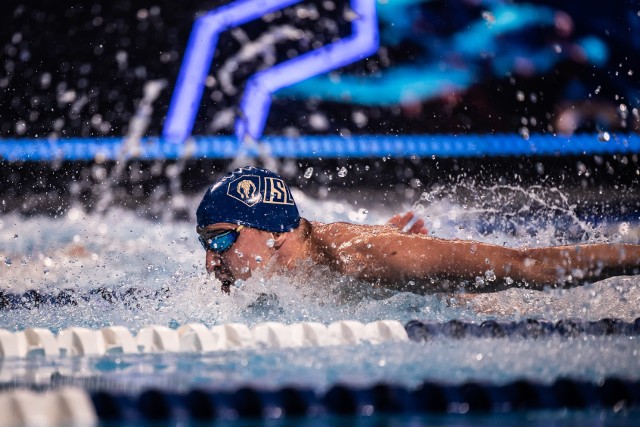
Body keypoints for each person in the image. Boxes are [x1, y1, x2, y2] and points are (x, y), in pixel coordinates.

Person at [196, 166, 640, 294]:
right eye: (205, 243)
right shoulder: (278, 262)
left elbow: (526, 264)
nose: (211, 258)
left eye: (220, 239)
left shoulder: (362, 257)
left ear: (273, 231)